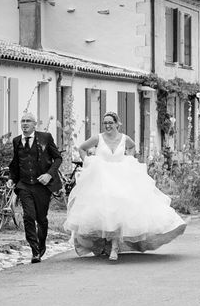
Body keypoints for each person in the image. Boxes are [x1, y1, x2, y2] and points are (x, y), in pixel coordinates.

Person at [64, 111, 187, 261]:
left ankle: (115, 247)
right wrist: (89, 162)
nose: (108, 125)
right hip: (101, 178)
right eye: (105, 123)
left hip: (120, 178)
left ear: (117, 123)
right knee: (103, 212)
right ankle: (104, 245)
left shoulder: (124, 139)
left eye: (110, 122)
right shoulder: (98, 138)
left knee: (120, 211)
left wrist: (128, 160)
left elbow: (132, 147)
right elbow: (82, 148)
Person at [7, 112, 62, 263]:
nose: (24, 124)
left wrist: (49, 175)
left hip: (42, 186)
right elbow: (16, 163)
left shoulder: (45, 137)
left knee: (41, 219)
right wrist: (12, 178)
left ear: (34, 124)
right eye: (22, 121)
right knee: (28, 216)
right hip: (25, 185)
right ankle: (34, 250)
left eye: (28, 121)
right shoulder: (17, 141)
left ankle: (41, 243)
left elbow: (58, 158)